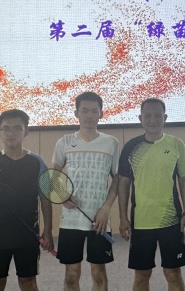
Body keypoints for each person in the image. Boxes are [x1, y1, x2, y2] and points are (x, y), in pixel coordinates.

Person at [0, 109, 54, 291]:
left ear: (26, 131)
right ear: (0, 132)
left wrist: (48, 230)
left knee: (28, 282)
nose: (10, 133)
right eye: (6, 128)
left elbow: (45, 198)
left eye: (17, 128)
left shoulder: (37, 162)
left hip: (28, 236)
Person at [118, 98, 185, 291]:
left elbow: (184, 180)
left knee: (173, 273)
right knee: (142, 275)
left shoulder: (176, 144)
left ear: (165, 118)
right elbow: (123, 184)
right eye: (148, 115)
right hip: (141, 222)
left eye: (158, 115)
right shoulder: (130, 147)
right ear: (140, 118)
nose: (153, 120)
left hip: (171, 221)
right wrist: (123, 218)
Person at [52, 92, 120, 291]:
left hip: (99, 220)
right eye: (84, 111)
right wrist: (62, 195)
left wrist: (106, 208)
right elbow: (53, 176)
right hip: (70, 220)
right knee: (71, 274)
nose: (89, 115)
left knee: (99, 273)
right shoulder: (64, 142)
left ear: (101, 114)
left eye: (94, 111)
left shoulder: (111, 142)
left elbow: (117, 179)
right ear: (76, 114)